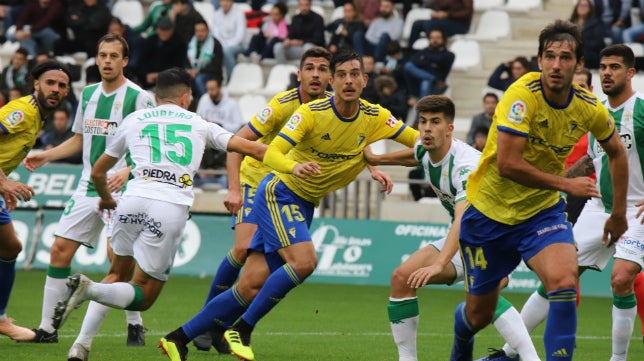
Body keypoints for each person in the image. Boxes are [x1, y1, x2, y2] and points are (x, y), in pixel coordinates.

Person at [158, 48, 415, 361]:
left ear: (365, 80)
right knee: (301, 261)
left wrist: (378, 161)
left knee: (251, 285)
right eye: (338, 74)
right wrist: (268, 176)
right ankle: (241, 329)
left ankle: (178, 337)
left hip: (304, 200)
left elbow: (417, 144)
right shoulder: (298, 109)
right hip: (277, 190)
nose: (345, 80)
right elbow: (264, 149)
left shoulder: (374, 115)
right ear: (329, 80)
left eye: (354, 74)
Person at [48, 67, 267, 361]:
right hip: (168, 206)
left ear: (155, 96)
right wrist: (292, 160)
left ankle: (81, 346)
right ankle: (89, 290)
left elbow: (99, 171)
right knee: (145, 295)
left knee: (116, 274)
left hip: (130, 200)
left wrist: (105, 199)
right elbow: (251, 148)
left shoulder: (134, 119)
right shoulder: (199, 123)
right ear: (186, 97)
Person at [451, 20, 628, 361]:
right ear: (539, 60)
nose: (556, 65)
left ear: (578, 64)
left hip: (542, 213)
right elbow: (508, 164)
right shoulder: (521, 97)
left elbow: (617, 152)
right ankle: (461, 340)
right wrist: (567, 183)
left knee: (563, 281)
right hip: (489, 213)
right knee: (478, 316)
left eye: (565, 58)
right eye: (549, 56)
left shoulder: (589, 106)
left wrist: (618, 212)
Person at [363, 95, 538, 361]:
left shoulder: (466, 166)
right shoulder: (426, 149)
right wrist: (377, 159)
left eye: (435, 122)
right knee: (402, 278)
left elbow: (461, 219)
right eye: (422, 122)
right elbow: (415, 155)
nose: (426, 129)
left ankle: (531, 358)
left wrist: (439, 263)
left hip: (500, 234)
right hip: (472, 236)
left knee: (482, 297)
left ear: (450, 129)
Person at [190, 46, 335, 352]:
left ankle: (223, 327)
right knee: (242, 248)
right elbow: (235, 144)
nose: (316, 75)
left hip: (287, 191)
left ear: (330, 78)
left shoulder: (332, 110)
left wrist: (373, 165)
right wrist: (232, 189)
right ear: (299, 74)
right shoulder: (281, 106)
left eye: (323, 69)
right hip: (254, 181)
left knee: (263, 272)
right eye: (310, 68)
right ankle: (204, 322)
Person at [22, 33, 155, 346]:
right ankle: (47, 329)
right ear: (97, 59)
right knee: (59, 251)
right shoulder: (89, 94)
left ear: (125, 61)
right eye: (103, 55)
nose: (107, 61)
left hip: (123, 189)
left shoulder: (139, 98)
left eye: (113, 56)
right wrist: (48, 153)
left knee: (117, 260)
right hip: (86, 185)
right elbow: (81, 138)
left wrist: (127, 169)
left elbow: (150, 147)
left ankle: (134, 320)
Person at [0, 59, 71, 342]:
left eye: (62, 86)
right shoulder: (23, 111)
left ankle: (2, 319)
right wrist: (4, 182)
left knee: (10, 245)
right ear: (36, 84)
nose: (55, 89)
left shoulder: (39, 117)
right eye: (50, 83)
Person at [403, 28, 454, 101]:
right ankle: (431, 78)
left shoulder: (449, 55)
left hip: (437, 86)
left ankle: (421, 111)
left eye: (437, 38)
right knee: (408, 65)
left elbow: (440, 60)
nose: (435, 40)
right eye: (432, 38)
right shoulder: (423, 51)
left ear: (443, 39)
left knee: (425, 83)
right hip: (417, 84)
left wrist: (424, 59)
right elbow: (413, 60)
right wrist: (431, 64)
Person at [137, 18, 188, 90]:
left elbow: (178, 65)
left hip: (170, 79)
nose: (163, 33)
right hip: (149, 79)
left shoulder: (180, 43)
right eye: (161, 30)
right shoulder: (150, 41)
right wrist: (147, 74)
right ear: (157, 30)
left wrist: (160, 75)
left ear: (172, 30)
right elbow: (142, 61)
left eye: (166, 31)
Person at [273, 0, 325, 64]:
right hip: (297, 49)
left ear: (310, 5)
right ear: (298, 5)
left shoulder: (318, 19)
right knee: (278, 46)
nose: (304, 8)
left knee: (307, 47)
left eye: (306, 5)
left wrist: (301, 42)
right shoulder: (295, 18)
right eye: (301, 5)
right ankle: (283, 70)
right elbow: (291, 35)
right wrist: (288, 40)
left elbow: (318, 39)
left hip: (312, 50)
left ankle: (306, 71)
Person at [407, 0, 473, 49]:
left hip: (460, 24)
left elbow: (467, 12)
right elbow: (439, 7)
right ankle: (411, 52)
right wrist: (436, 14)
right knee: (417, 24)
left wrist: (447, 14)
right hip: (443, 21)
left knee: (429, 25)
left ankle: (434, 52)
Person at [187, 20, 224, 100]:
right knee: (183, 77)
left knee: (199, 79)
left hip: (212, 74)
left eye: (202, 31)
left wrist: (199, 71)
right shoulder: (191, 43)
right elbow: (186, 61)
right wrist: (190, 71)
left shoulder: (215, 44)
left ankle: (207, 102)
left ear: (208, 31)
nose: (200, 33)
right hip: (194, 72)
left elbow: (216, 66)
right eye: (197, 31)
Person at [211, 0, 247, 82]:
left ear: (232, 2)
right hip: (222, 45)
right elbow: (216, 34)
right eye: (222, 1)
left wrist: (225, 46)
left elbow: (239, 36)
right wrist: (221, 46)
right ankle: (216, 80)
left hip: (239, 45)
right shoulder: (216, 14)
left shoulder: (239, 14)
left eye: (227, 1)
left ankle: (231, 80)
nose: (224, 3)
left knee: (227, 51)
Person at [570, 0, 606, 70]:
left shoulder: (596, 23)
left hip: (590, 55)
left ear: (590, 8)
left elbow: (599, 42)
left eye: (585, 6)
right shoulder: (570, 23)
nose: (582, 8)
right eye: (580, 5)